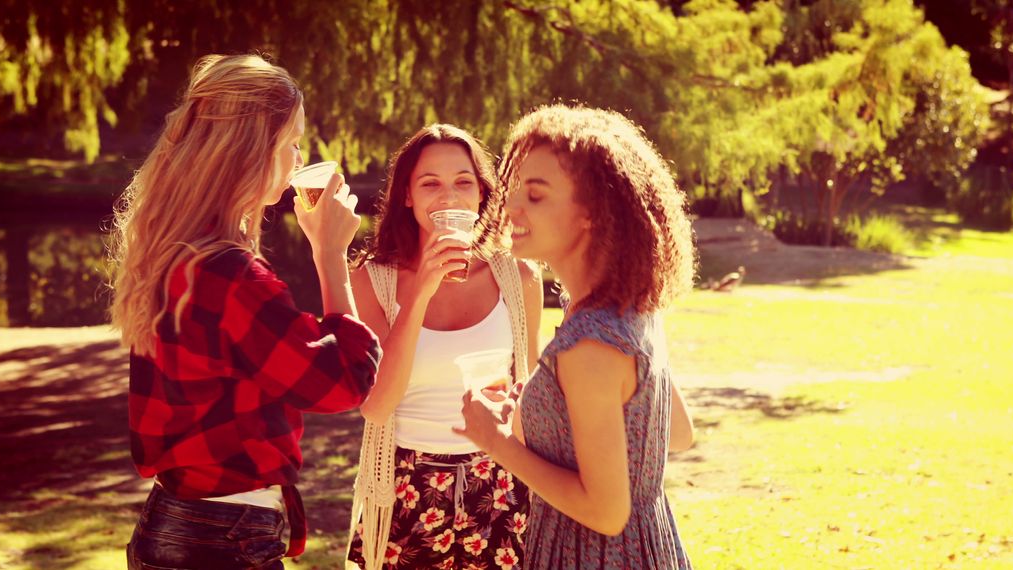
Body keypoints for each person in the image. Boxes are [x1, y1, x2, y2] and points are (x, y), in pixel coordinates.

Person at [109, 54, 382, 570]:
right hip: (219, 541)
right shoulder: (231, 276)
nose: (300, 156)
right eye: (293, 142)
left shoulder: (172, 252)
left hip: (171, 527)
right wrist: (329, 256)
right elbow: (340, 382)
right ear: (255, 150)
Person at [454, 104, 697, 569]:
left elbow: (606, 513)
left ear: (591, 212)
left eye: (537, 195)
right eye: (515, 189)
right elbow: (674, 433)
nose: (511, 206)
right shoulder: (631, 305)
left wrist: (496, 440)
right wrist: (543, 417)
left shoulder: (590, 343)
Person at [344, 124, 543, 569]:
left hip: (501, 485)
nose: (449, 198)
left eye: (463, 182)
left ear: (481, 195)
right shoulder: (372, 281)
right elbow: (376, 407)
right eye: (430, 183)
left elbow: (528, 395)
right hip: (405, 489)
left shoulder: (518, 278)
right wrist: (420, 293)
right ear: (407, 195)